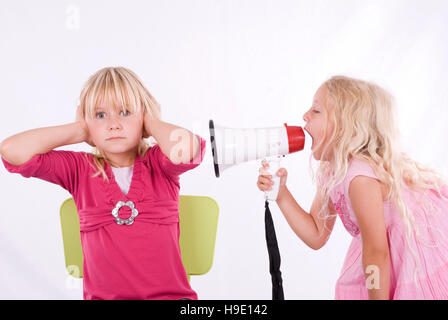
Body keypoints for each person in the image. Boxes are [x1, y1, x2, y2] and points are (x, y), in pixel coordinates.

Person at [0, 66, 206, 300]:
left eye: (126, 112)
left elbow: (188, 148)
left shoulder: (158, 164)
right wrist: (79, 130)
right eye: (100, 115)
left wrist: (150, 122)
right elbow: (12, 151)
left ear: (145, 117)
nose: (113, 124)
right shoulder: (79, 169)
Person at [257, 75, 448, 300]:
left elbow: (377, 254)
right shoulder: (333, 171)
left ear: (344, 125)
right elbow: (317, 233)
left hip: (414, 254)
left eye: (316, 111)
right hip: (380, 255)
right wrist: (281, 194)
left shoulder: (359, 178)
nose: (305, 116)